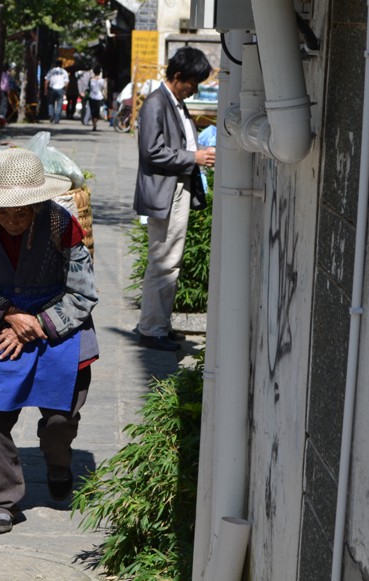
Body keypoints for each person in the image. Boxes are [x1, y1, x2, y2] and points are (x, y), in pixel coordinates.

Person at [0, 148, 99, 534]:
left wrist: (36, 324)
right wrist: (11, 317)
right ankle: (2, 498)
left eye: (21, 210)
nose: (12, 219)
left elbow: (83, 294)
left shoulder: (64, 226)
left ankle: (58, 461)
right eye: (4, 210)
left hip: (58, 321)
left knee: (62, 415)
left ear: (38, 203)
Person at [133, 47, 216, 352]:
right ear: (178, 76)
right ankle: (152, 328)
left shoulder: (174, 102)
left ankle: (159, 324)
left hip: (174, 188)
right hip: (165, 191)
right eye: (193, 82)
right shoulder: (156, 104)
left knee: (170, 261)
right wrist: (193, 157)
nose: (196, 89)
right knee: (163, 262)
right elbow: (151, 151)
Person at [43, 59, 69, 124]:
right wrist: (65, 90)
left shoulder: (51, 71)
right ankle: (57, 118)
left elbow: (46, 81)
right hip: (61, 89)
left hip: (52, 89)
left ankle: (51, 114)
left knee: (50, 103)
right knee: (59, 105)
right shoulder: (64, 72)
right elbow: (66, 82)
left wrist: (45, 90)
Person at [87, 66, 107, 132]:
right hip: (99, 97)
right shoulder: (102, 80)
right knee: (97, 112)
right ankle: (95, 123)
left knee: (93, 112)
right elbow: (104, 88)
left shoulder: (91, 80)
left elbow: (89, 88)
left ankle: (94, 124)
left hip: (91, 96)